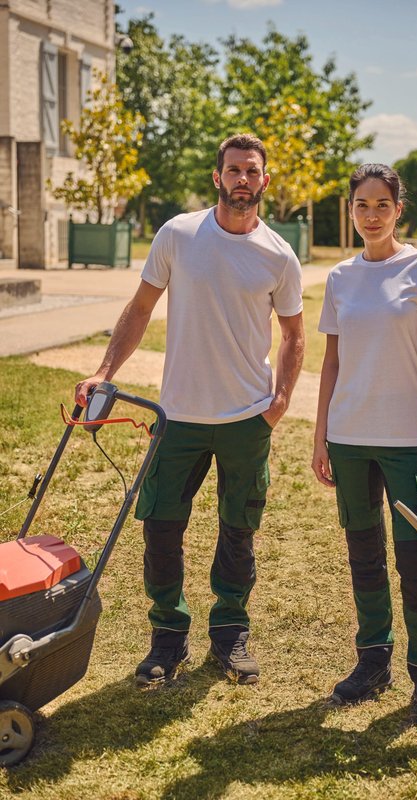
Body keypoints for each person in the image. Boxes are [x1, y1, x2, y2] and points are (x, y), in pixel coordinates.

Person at [75, 133, 304, 687]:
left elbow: (295, 335)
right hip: (177, 417)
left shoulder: (279, 255)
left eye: (252, 170)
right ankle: (168, 637)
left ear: (264, 180)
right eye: (233, 170)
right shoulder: (178, 235)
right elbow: (140, 307)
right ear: (217, 176)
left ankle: (229, 633)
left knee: (238, 529)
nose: (242, 179)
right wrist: (105, 373)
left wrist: (277, 405)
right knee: (159, 524)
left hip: (246, 420)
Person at [311, 163, 417, 725]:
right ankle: (373, 661)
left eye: (381, 205)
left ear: (399, 210)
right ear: (351, 212)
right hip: (349, 438)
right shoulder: (340, 278)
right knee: (363, 556)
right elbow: (331, 361)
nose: (371, 215)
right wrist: (320, 433)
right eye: (361, 206)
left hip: (408, 439)